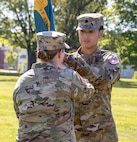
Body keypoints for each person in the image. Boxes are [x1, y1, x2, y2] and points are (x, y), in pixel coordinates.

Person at [12, 31, 95, 142]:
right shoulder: (68, 77)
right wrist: (74, 71)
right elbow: (88, 92)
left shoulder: (22, 81)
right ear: (61, 53)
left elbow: (19, 112)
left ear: (37, 52)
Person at [64, 13, 121, 142]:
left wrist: (74, 63)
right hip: (73, 131)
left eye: (90, 31)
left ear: (100, 32)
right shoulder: (66, 60)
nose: (85, 36)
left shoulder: (109, 59)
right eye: (82, 31)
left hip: (101, 132)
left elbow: (102, 81)